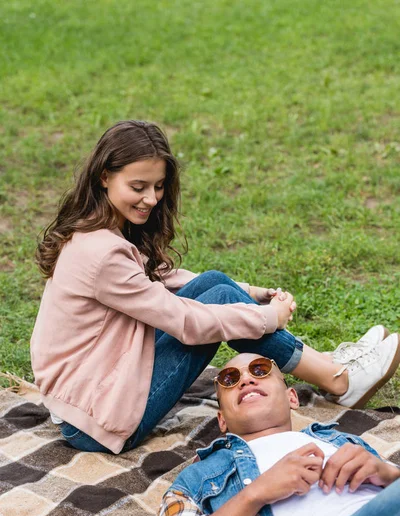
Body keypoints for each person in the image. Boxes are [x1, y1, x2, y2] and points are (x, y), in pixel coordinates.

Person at [31, 119, 400, 455]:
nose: (151, 199)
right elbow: (186, 322)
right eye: (138, 187)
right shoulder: (101, 254)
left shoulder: (100, 229)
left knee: (214, 285)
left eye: (158, 186)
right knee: (217, 303)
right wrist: (267, 317)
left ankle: (331, 366)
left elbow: (162, 278)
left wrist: (251, 291)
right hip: (95, 420)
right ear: (103, 177)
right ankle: (340, 380)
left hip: (91, 392)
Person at [144, 353, 400, 516]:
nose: (246, 380)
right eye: (230, 379)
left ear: (292, 398)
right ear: (222, 420)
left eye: (260, 370)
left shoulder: (340, 440)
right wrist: (255, 494)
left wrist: (388, 473)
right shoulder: (199, 477)